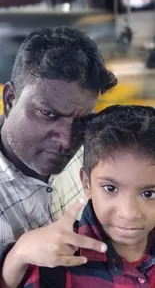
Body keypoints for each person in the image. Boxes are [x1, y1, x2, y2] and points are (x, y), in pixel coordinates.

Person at [0, 26, 117, 287]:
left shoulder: (94, 154)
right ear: (9, 100)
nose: (67, 141)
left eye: (82, 121)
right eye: (48, 114)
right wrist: (17, 257)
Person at [24, 104, 155, 287]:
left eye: (149, 193)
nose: (129, 213)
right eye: (110, 188)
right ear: (87, 184)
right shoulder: (55, 265)